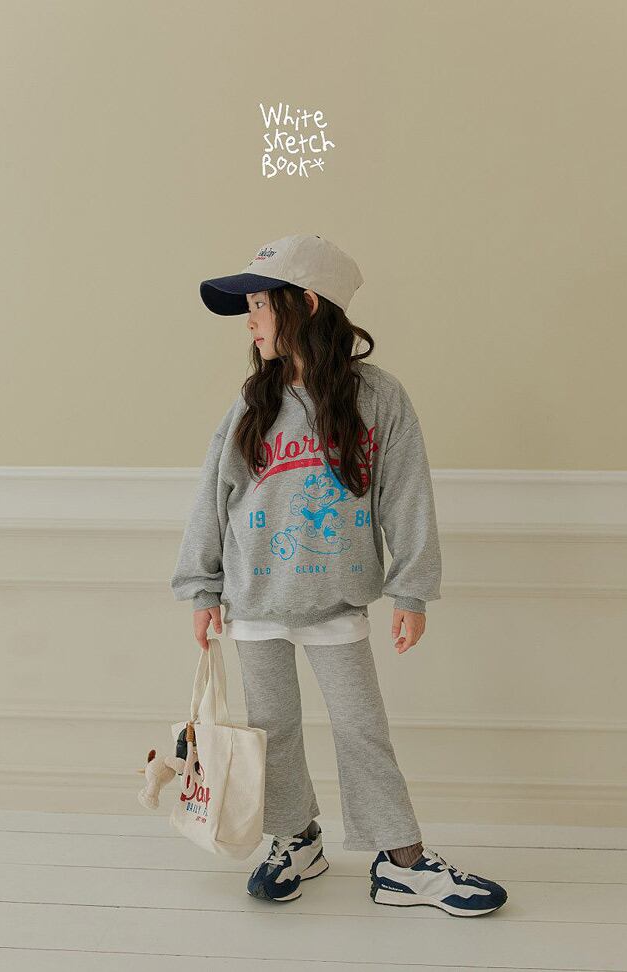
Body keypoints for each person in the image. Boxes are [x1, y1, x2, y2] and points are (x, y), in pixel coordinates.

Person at [171, 234, 507, 915]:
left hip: (335, 599)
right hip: (255, 599)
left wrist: (412, 589)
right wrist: (202, 587)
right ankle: (295, 839)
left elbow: (406, 495)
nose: (250, 321)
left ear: (306, 303)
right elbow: (213, 495)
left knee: (361, 730)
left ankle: (402, 861)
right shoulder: (253, 401)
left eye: (260, 304)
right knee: (273, 732)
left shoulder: (376, 397)